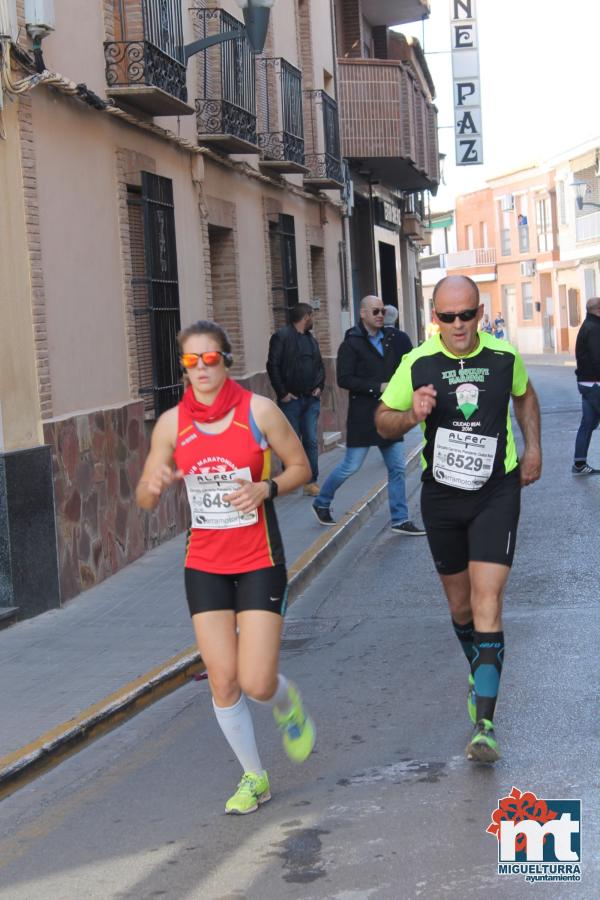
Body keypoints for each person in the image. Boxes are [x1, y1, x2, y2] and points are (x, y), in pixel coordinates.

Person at [136, 320, 315, 815]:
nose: (200, 369)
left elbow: (301, 467)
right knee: (222, 679)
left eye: (209, 359)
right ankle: (254, 777)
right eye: (190, 362)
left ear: (226, 360)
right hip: (204, 564)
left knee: (256, 681)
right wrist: (156, 484)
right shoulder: (172, 424)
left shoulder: (258, 412)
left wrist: (268, 487)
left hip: (259, 559)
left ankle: (284, 699)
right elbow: (145, 494)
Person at [375, 275, 542, 763]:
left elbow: (525, 395)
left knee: (488, 598)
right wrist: (412, 415)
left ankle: (485, 723)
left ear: (480, 312)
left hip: (497, 491)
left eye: (466, 315)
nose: (458, 325)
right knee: (461, 606)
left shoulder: (503, 356)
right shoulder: (419, 362)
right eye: (447, 317)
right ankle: (478, 665)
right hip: (443, 499)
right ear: (435, 317)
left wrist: (532, 448)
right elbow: (382, 417)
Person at [312, 295, 425, 535]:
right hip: (363, 416)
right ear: (362, 314)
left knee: (397, 468)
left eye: (383, 311)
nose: (381, 315)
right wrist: (377, 386)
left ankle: (400, 519)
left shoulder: (396, 339)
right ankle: (322, 501)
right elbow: (344, 379)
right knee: (350, 466)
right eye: (375, 311)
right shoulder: (351, 343)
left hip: (389, 415)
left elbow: (414, 363)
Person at [267, 303, 325, 497]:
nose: (313, 320)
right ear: (306, 317)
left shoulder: (311, 340)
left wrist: (320, 386)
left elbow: (319, 366)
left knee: (310, 439)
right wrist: (283, 393)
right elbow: (272, 366)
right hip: (290, 400)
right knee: (290, 442)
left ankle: (310, 482)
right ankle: (290, 481)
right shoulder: (281, 337)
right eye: (312, 316)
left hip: (310, 399)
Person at [572, 296, 600, 474]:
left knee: (588, 423)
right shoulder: (595, 328)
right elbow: (598, 359)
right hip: (594, 384)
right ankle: (579, 464)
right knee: (587, 424)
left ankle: (579, 463)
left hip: (586, 383)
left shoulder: (587, 325)